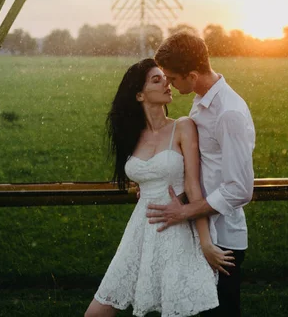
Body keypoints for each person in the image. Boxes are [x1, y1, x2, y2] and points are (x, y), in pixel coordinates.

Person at [85, 58, 234, 317]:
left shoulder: (183, 126)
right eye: (157, 80)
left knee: (175, 309)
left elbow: (193, 186)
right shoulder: (131, 135)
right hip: (140, 231)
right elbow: (142, 177)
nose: (167, 84)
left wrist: (206, 243)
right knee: (98, 311)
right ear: (140, 95)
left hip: (175, 229)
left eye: (165, 78)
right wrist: (145, 187)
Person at [147, 31, 256, 317]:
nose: (168, 83)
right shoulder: (202, 99)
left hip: (222, 240)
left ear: (192, 75)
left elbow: (240, 189)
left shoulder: (227, 113)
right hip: (202, 228)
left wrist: (186, 211)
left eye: (172, 77)